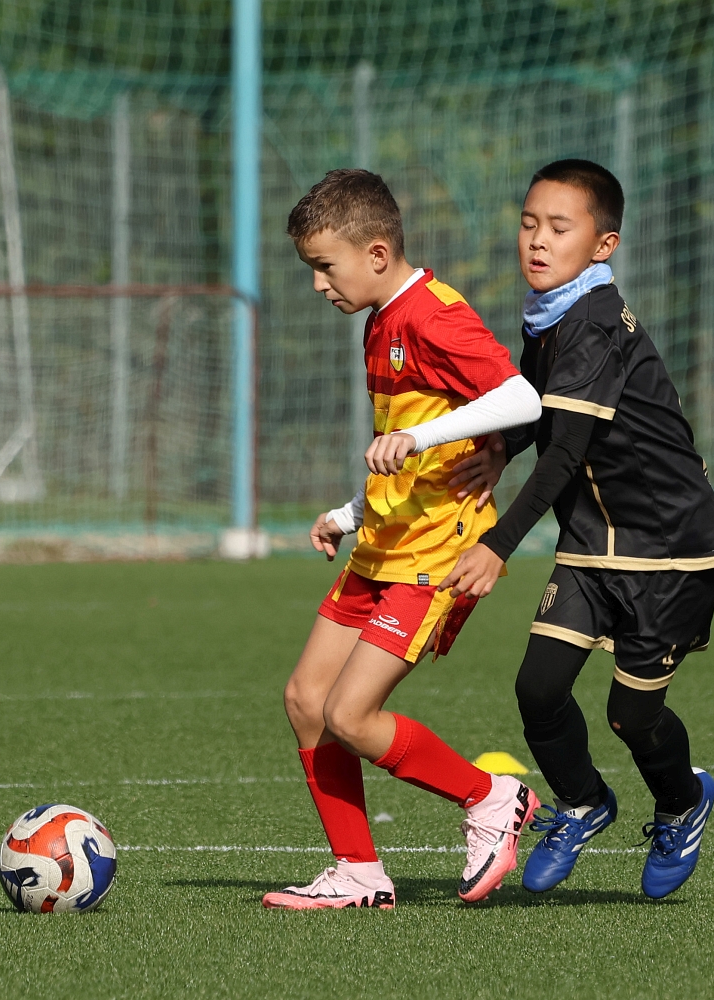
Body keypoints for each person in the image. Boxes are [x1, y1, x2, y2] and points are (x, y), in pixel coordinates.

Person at [438, 159, 714, 900]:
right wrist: (503, 448)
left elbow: (567, 453)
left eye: (558, 228)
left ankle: (681, 802)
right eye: (528, 223)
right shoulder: (552, 313)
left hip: (670, 551)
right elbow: (548, 414)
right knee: (538, 690)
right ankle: (582, 803)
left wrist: (496, 545)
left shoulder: (594, 324)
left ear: (603, 246)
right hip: (593, 541)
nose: (537, 240)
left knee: (631, 715)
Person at [263, 168, 544, 909]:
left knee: (349, 716)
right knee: (306, 699)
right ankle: (358, 872)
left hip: (433, 556)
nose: (319, 283)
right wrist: (351, 513)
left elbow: (521, 398)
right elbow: (407, 450)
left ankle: (491, 797)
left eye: (325, 266)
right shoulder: (379, 321)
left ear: (377, 253)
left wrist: (424, 435)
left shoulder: (432, 315)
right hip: (384, 542)